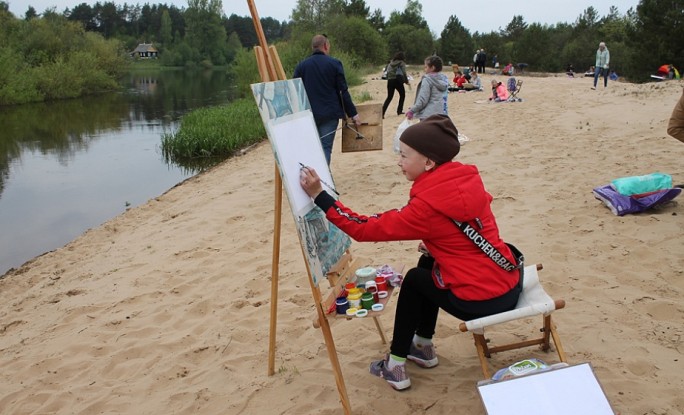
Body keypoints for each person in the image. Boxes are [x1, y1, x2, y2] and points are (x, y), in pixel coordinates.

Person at [299, 115, 522, 391]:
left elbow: (363, 228)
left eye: (404, 156)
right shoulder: (466, 180)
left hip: (480, 301)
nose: (398, 162)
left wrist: (320, 195)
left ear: (428, 162)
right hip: (508, 283)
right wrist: (437, 242)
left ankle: (395, 364)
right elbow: (472, 229)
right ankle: (422, 346)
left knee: (416, 280)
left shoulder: (426, 207)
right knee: (427, 260)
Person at [293, 34, 361, 165]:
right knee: (325, 147)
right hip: (330, 114)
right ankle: (323, 180)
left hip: (308, 114)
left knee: (311, 148)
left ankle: (315, 178)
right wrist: (353, 113)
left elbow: (295, 90)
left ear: (313, 47)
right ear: (325, 46)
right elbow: (343, 91)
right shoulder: (334, 64)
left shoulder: (301, 66)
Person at [406, 55, 449, 121]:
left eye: (426, 67)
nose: (424, 69)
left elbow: (423, 100)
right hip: (442, 115)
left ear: (432, 68)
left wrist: (412, 110)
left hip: (428, 116)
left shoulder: (427, 80)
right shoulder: (444, 79)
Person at [382, 52, 410, 118]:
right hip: (397, 80)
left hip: (390, 80)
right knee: (402, 95)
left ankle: (382, 113)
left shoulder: (391, 63)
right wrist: (406, 81)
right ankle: (399, 111)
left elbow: (387, 72)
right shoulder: (401, 63)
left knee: (389, 97)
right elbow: (404, 72)